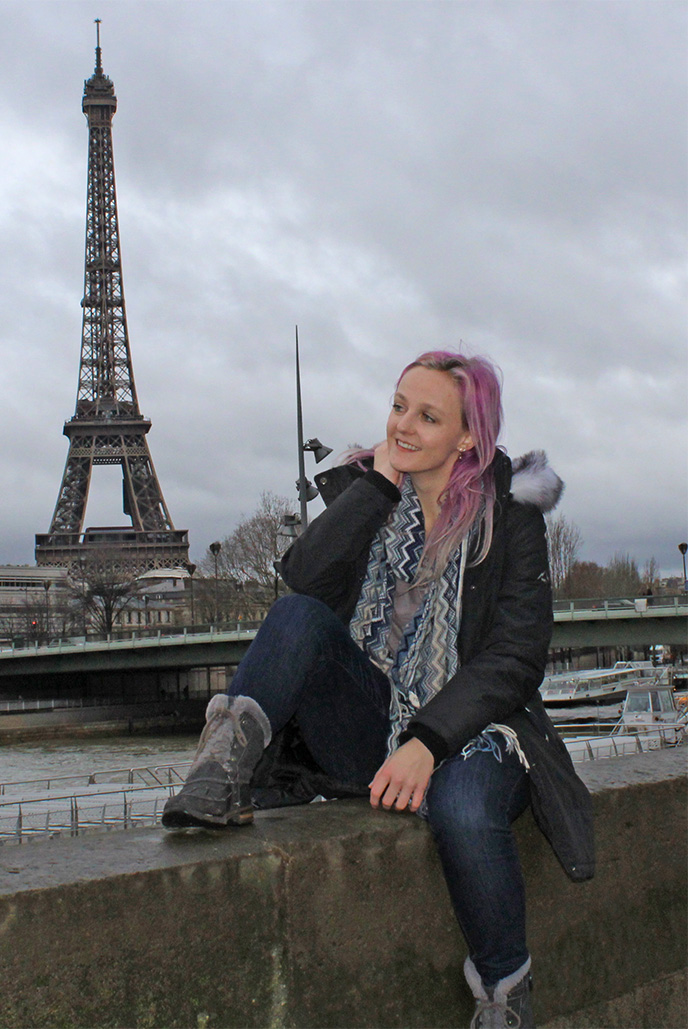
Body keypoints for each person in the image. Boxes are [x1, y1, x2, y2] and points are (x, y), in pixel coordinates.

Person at [162, 351, 594, 1029]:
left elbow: (515, 656)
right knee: (298, 618)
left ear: (468, 437)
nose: (404, 425)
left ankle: (505, 996)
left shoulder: (511, 517)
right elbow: (302, 582)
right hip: (371, 724)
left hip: (477, 731)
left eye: (428, 416)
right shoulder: (371, 500)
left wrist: (427, 738)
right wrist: (379, 483)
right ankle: (221, 771)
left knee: (465, 804)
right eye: (399, 406)